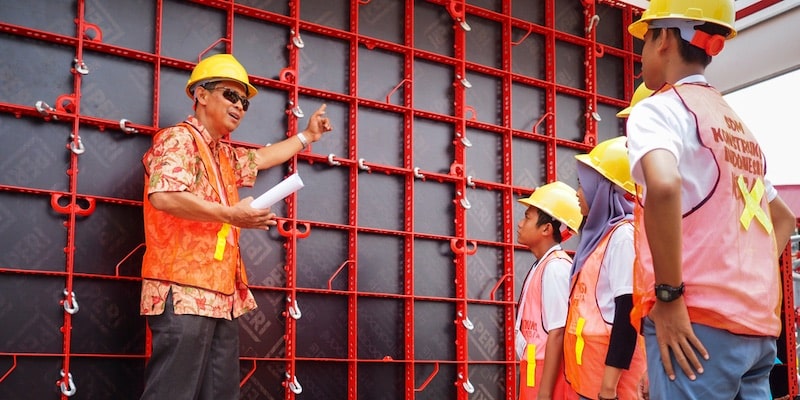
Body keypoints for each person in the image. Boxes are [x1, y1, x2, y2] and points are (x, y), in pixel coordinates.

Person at [625, 0, 797, 398]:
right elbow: (783, 219)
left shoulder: (659, 111)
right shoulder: (735, 126)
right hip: (755, 331)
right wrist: (743, 285)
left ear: (665, 38)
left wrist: (669, 296)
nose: (642, 53)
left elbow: (664, 186)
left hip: (695, 325)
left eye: (646, 39)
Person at [139, 53, 332, 400]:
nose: (240, 106)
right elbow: (164, 196)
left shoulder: (222, 154)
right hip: (182, 291)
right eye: (231, 95)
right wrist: (231, 215)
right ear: (200, 95)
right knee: (172, 393)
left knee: (222, 393)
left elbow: (261, 158)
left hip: (221, 295)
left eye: (244, 101)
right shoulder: (178, 140)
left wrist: (307, 137)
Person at [564, 136, 648, 400]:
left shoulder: (622, 237)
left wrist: (608, 389)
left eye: (582, 184)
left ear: (604, 188)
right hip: (592, 382)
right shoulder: (602, 237)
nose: (578, 193)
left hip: (612, 389)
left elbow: (628, 315)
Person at [515, 181, 582, 400]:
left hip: (547, 377)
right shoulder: (545, 264)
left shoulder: (555, 267)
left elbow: (558, 332)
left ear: (546, 228)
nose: (520, 223)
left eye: (527, 217)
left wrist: (544, 393)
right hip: (537, 371)